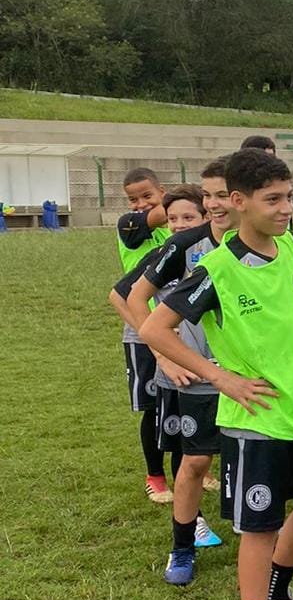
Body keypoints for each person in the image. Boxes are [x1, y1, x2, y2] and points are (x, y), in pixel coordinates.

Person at [141, 148, 293, 600]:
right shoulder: (217, 269)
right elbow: (153, 329)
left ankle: (277, 594)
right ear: (237, 202)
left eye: (289, 198)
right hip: (253, 423)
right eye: (273, 200)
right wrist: (220, 376)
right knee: (260, 528)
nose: (286, 209)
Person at [122, 162, 235, 585]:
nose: (213, 203)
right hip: (197, 377)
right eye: (207, 195)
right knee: (195, 460)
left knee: (248, 459)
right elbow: (132, 297)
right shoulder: (184, 246)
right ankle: (183, 547)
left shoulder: (273, 247)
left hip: (251, 378)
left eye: (219, 194)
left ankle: (258, 536)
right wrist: (164, 356)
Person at [116, 167, 174, 501]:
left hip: (180, 327)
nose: (139, 203)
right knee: (153, 407)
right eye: (132, 198)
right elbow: (153, 218)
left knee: (187, 400)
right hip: (142, 329)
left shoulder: (174, 231)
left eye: (146, 196)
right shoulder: (129, 225)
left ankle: (196, 466)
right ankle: (155, 475)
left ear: (160, 190)